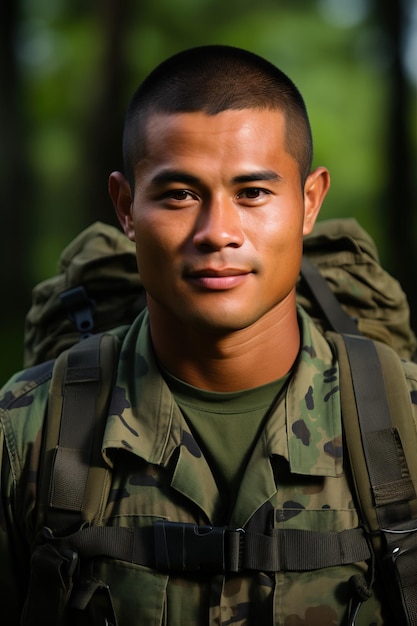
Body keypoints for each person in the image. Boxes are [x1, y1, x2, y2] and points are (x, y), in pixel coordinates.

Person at [1, 44, 416, 626]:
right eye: (180, 195)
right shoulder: (24, 431)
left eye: (253, 193)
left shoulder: (406, 427)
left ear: (309, 201)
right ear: (125, 206)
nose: (218, 232)